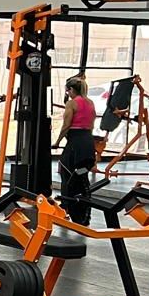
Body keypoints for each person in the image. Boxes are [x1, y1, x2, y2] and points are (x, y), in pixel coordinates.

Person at [54, 77, 96, 222]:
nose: (68, 93)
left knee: (66, 172)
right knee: (81, 176)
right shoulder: (90, 102)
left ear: (71, 90)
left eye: (68, 91)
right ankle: (83, 212)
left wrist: (57, 142)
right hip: (88, 143)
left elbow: (66, 125)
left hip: (75, 143)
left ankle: (65, 207)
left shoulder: (72, 103)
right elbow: (91, 123)